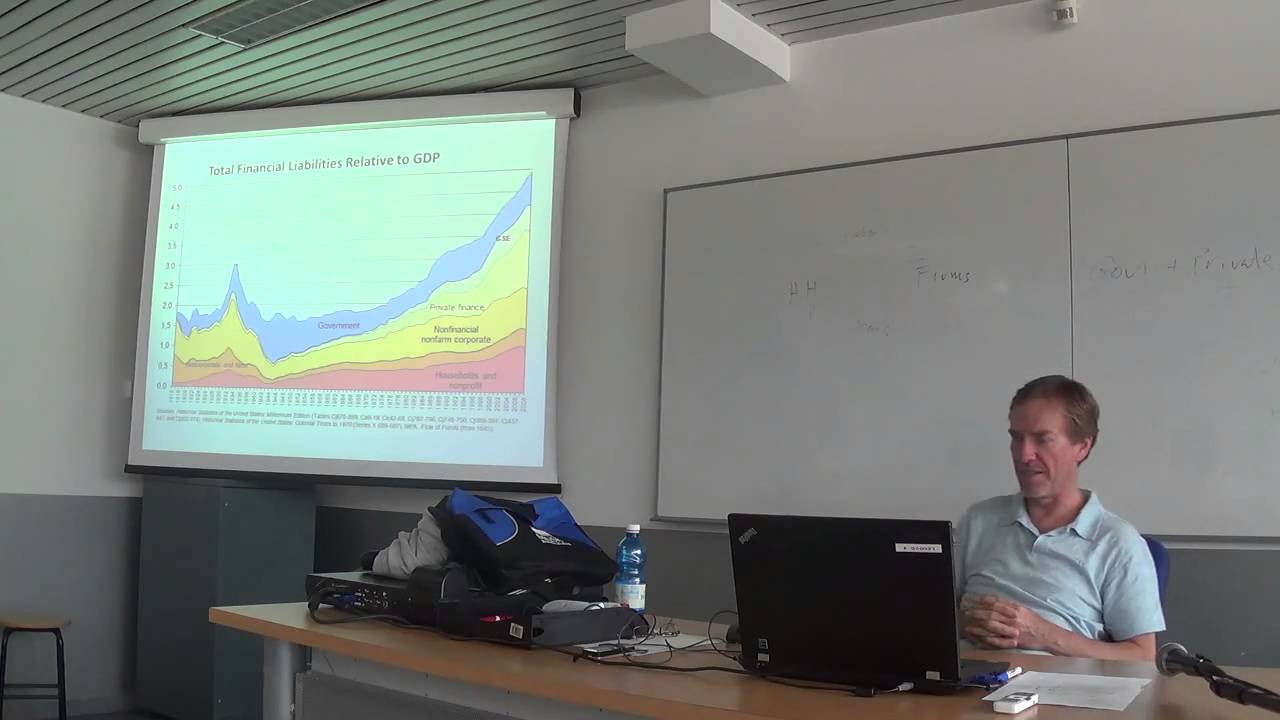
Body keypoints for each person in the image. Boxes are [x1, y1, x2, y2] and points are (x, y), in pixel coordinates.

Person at [956, 375, 1165, 661]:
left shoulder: (1116, 542)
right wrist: (966, 622)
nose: (1024, 455)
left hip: (1060, 685)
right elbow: (933, 618)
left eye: (1042, 439)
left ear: (1082, 447)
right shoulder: (978, 520)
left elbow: (1142, 656)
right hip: (966, 681)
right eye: (1016, 438)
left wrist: (1042, 634)